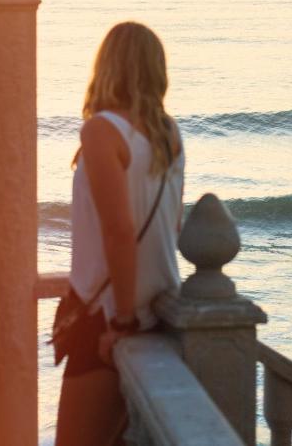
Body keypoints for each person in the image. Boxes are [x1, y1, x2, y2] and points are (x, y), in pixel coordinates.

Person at [55, 22, 186, 446]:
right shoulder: (169, 133)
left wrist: (123, 322)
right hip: (160, 308)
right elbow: (173, 225)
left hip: (109, 316)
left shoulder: (101, 131)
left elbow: (119, 231)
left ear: (106, 66)